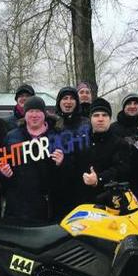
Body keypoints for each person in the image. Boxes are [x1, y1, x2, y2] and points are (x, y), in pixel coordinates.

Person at [1, 96, 64, 222]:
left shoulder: (57, 136)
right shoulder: (12, 136)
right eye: (30, 111)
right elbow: (1, 163)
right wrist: (3, 172)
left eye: (38, 111)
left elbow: (67, 174)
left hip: (45, 205)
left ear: (44, 114)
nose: (34, 115)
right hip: (17, 204)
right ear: (25, 115)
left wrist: (61, 164)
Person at [75, 97, 130, 205]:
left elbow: (122, 170)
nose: (100, 119)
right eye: (96, 115)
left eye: (104, 115)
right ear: (90, 119)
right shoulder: (80, 142)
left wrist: (99, 178)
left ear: (110, 118)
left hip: (110, 202)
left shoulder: (120, 144)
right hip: (83, 203)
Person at [49, 86, 91, 220]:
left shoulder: (86, 123)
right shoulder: (51, 124)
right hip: (58, 185)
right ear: (59, 102)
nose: (68, 102)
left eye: (72, 98)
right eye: (65, 98)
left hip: (82, 184)